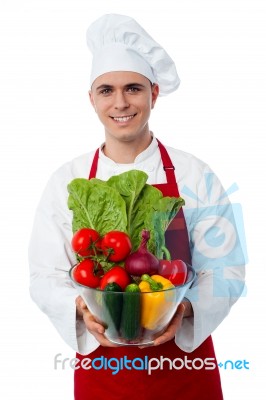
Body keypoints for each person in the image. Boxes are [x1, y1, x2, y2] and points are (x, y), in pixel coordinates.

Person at [29, 14, 246, 399]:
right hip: (103, 365)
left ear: (154, 94)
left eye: (133, 88)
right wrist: (83, 310)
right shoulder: (68, 179)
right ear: (91, 98)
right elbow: (44, 276)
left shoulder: (195, 175)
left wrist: (184, 311)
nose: (121, 103)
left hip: (183, 366)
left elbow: (226, 269)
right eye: (106, 90)